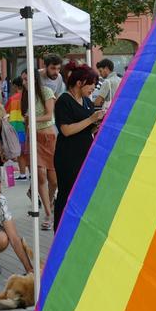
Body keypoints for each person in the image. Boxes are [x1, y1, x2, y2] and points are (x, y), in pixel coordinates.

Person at [53, 62, 103, 229]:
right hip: (68, 155)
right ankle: (60, 230)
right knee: (66, 193)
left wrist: (98, 123)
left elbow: (87, 128)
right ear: (80, 82)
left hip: (84, 153)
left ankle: (77, 227)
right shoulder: (64, 100)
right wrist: (91, 119)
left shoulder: (87, 101)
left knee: (82, 193)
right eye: (91, 85)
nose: (93, 89)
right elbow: (66, 130)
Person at [22, 70, 57, 230]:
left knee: (54, 180)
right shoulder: (26, 97)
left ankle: (49, 202)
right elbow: (26, 122)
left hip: (48, 138)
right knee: (41, 176)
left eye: (26, 79)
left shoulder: (46, 91)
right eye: (22, 80)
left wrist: (31, 119)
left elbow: (49, 115)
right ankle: (49, 214)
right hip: (34, 138)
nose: (24, 83)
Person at [6, 76, 29, 180]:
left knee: (20, 154)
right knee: (28, 152)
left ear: (15, 86)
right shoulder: (28, 97)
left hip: (15, 128)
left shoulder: (12, 99)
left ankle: (23, 173)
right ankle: (32, 173)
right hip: (26, 127)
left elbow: (6, 112)